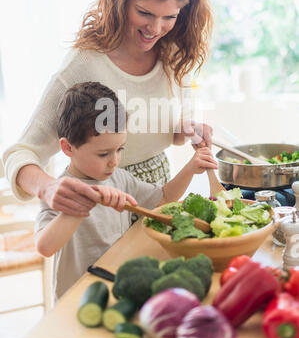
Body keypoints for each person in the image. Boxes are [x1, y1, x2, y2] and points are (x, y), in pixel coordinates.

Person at [3, 0, 213, 218]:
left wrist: (187, 129)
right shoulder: (85, 64)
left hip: (159, 203)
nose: (156, 28)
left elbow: (163, 135)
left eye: (169, 17)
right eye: (145, 13)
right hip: (99, 211)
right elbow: (19, 154)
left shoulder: (172, 53)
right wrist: (49, 188)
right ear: (120, 0)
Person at [35, 82, 217, 300]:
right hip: (76, 298)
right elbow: (45, 246)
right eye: (103, 154)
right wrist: (81, 205)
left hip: (117, 288)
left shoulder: (118, 178)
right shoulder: (59, 191)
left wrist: (190, 168)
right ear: (68, 148)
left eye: (120, 149)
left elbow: (164, 198)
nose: (114, 161)